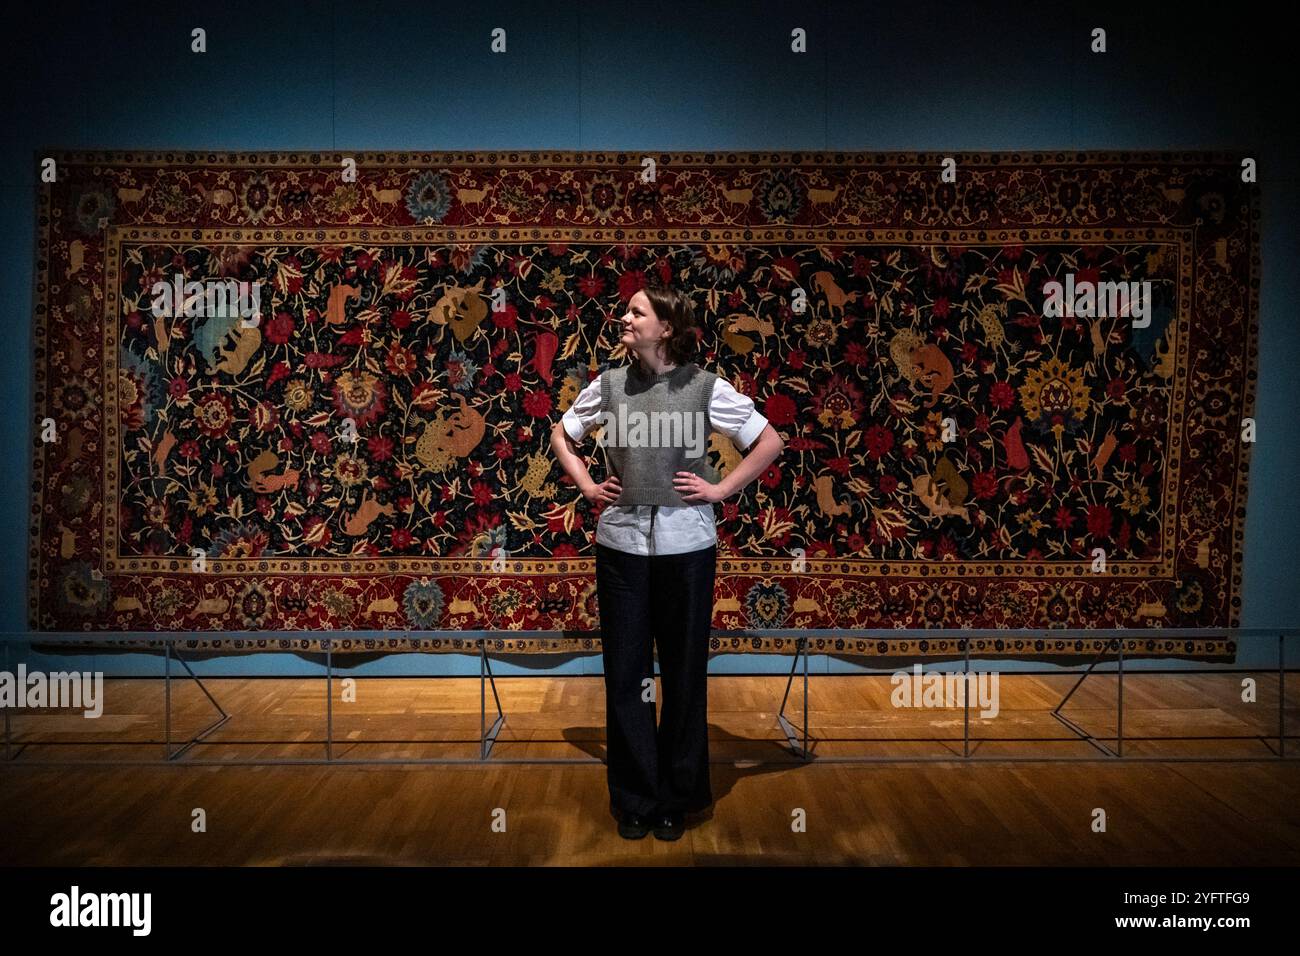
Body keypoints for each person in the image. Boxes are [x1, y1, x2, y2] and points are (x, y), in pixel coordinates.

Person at [549, 281, 784, 841]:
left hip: (687, 551)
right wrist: (586, 483)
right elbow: (562, 433)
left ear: (667, 328)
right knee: (626, 676)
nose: (625, 319)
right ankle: (634, 796)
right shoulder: (609, 385)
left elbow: (769, 441)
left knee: (682, 674)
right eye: (628, 312)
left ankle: (678, 793)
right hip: (621, 549)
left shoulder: (705, 388)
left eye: (637, 312)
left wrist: (721, 488)